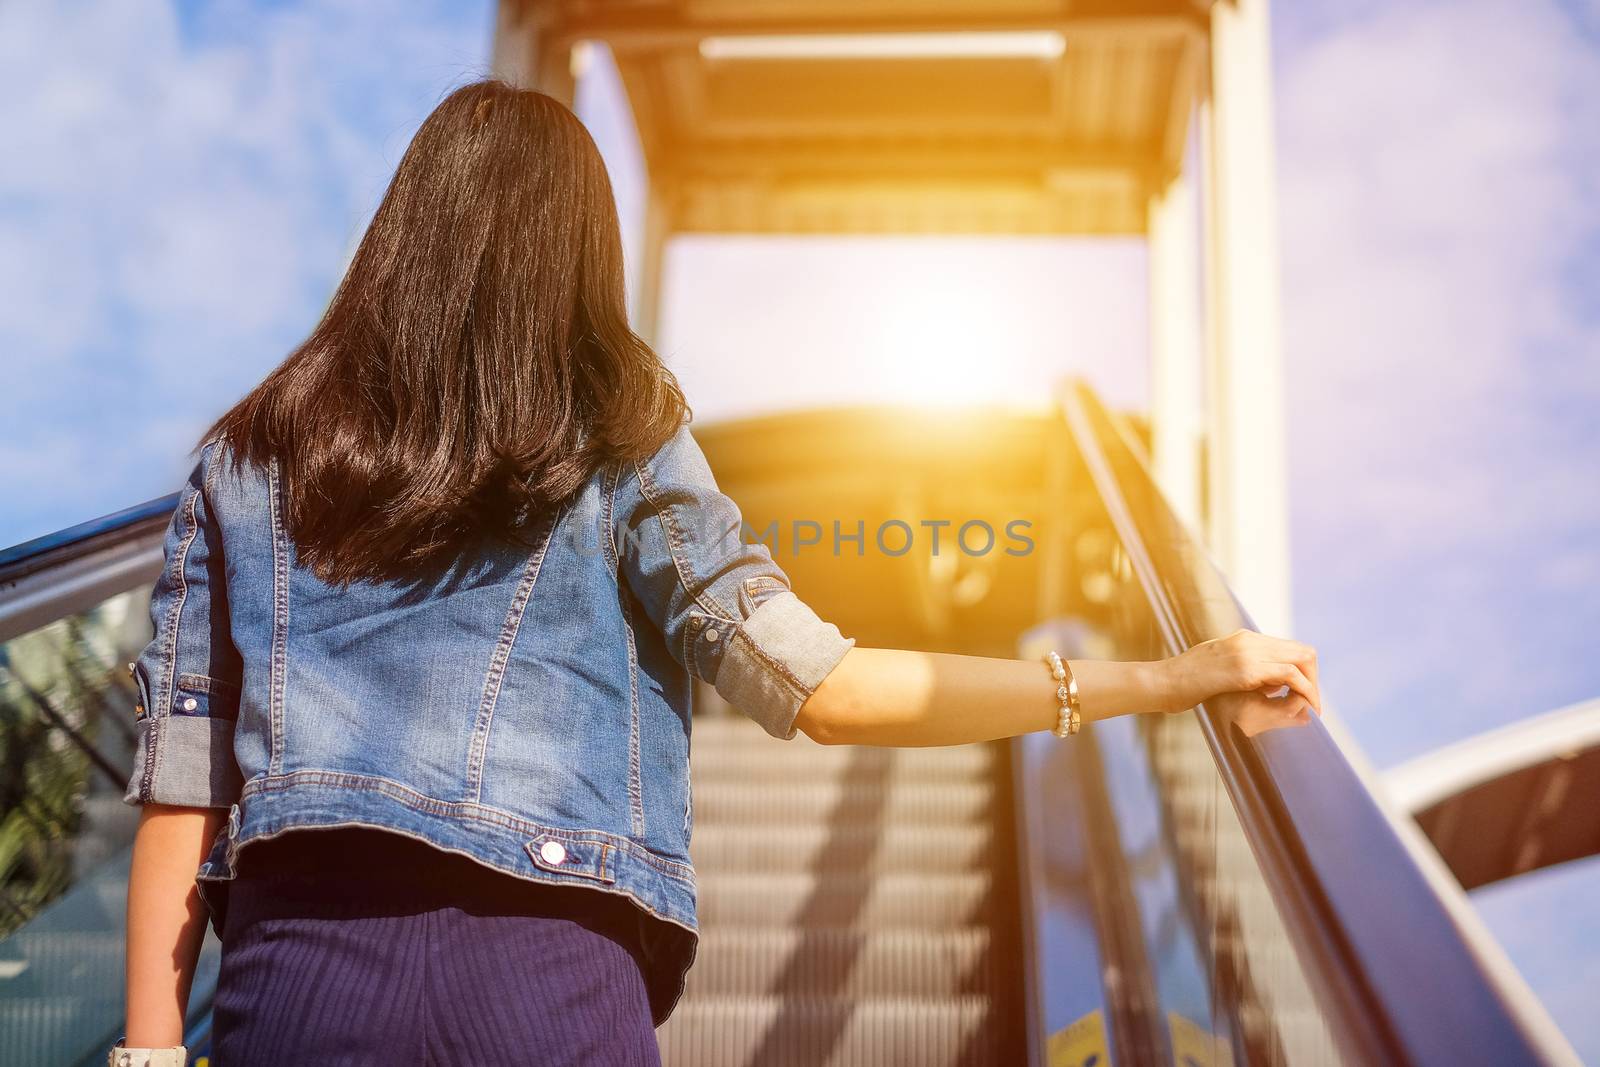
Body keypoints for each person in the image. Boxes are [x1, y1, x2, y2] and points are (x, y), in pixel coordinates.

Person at [114, 79, 1319, 1067]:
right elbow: (826, 688)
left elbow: (183, 784)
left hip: (298, 980)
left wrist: (154, 1049)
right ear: (579, 254)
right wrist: (1161, 678)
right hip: (549, 980)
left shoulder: (249, 458)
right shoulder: (621, 437)